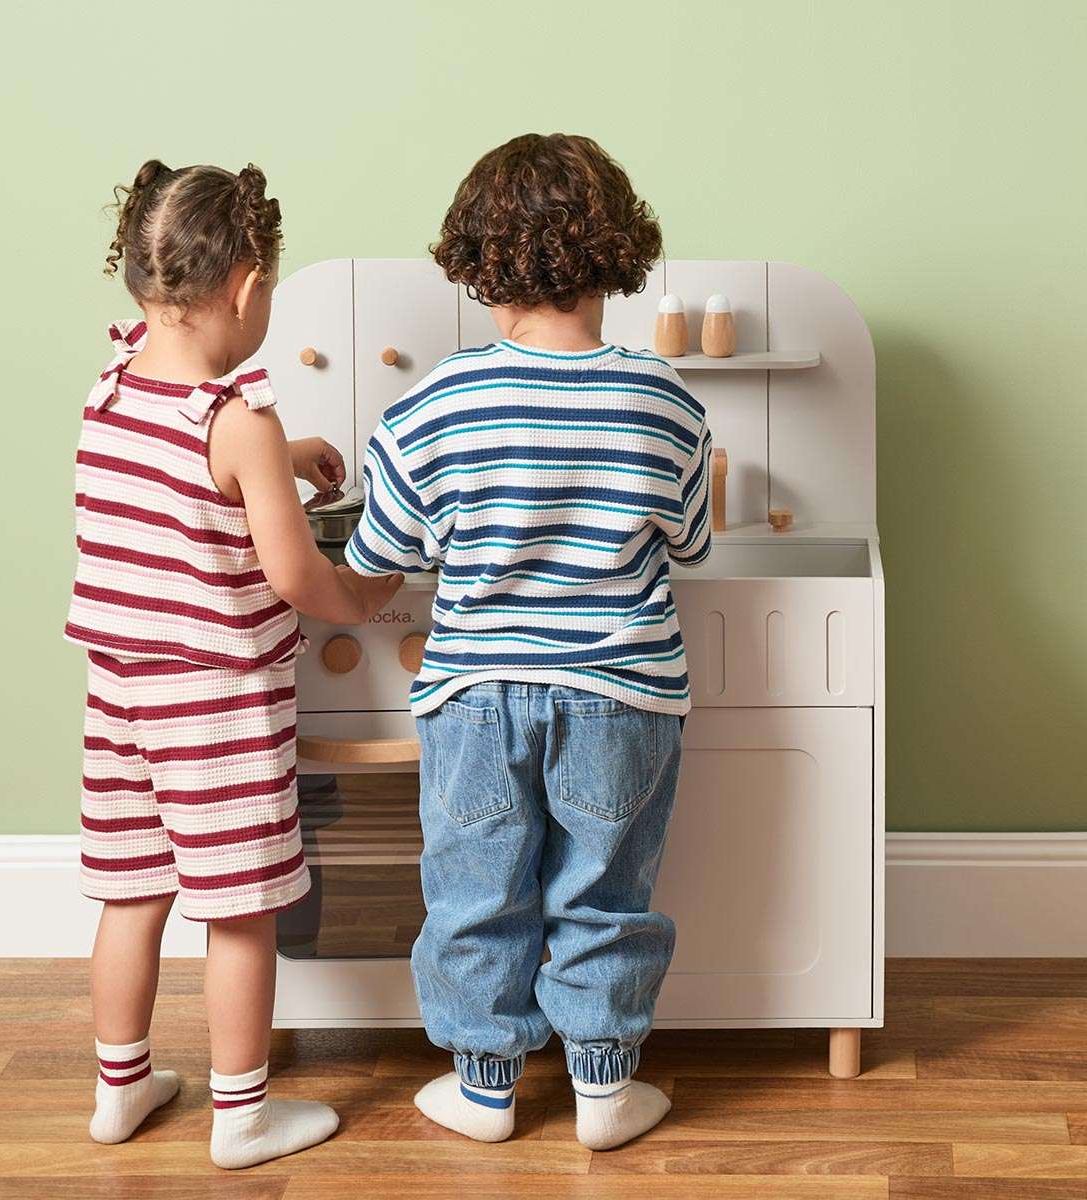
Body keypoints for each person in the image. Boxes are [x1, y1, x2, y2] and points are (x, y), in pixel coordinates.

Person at [345, 133, 712, 1151]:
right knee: (604, 891)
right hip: (622, 693)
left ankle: (484, 1088)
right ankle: (602, 1090)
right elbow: (689, 539)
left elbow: (385, 552)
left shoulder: (435, 403)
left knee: (475, 891)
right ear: (616, 254)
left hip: (475, 697)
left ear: (477, 262)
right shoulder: (666, 400)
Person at [65, 160, 400, 1168]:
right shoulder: (239, 419)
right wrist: (370, 595)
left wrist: (285, 456)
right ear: (249, 289)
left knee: (136, 892)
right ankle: (242, 1114)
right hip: (214, 699)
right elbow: (296, 575)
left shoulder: (114, 384)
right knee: (242, 906)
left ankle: (119, 1087)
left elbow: (180, 483)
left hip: (121, 687)